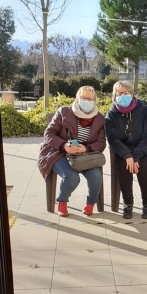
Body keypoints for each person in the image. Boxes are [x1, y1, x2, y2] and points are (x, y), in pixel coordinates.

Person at [38, 85, 106, 217]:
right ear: (77, 98)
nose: (87, 101)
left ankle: (90, 204)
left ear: (95, 101)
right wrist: (64, 145)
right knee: (72, 177)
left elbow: (101, 143)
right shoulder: (64, 112)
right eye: (83, 98)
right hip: (60, 153)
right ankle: (62, 202)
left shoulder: (99, 119)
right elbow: (48, 134)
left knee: (96, 176)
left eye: (90, 99)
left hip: (85, 155)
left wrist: (86, 148)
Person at [105, 80, 147, 220]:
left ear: (132, 94)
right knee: (123, 165)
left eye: (125, 92)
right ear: (114, 96)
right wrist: (127, 155)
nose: (122, 96)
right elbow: (113, 139)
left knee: (143, 165)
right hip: (125, 151)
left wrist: (136, 156)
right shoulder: (111, 115)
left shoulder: (145, 110)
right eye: (119, 93)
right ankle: (128, 204)